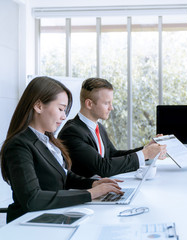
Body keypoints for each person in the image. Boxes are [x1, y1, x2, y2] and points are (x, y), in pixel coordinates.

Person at [0, 77, 123, 223]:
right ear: (38, 106)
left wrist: (92, 184)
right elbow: (32, 198)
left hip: (53, 216)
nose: (64, 116)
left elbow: (63, 175)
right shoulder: (19, 145)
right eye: (60, 109)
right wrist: (89, 194)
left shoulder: (48, 141)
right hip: (31, 224)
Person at [58, 78, 166, 178]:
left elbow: (112, 155)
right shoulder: (71, 132)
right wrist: (145, 154)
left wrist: (146, 149)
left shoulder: (98, 127)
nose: (111, 107)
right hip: (84, 193)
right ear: (89, 104)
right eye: (106, 103)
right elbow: (103, 167)